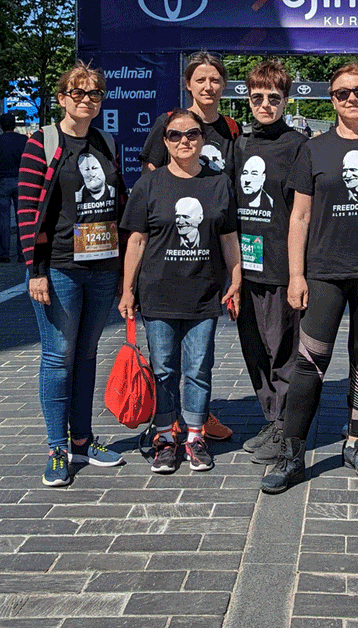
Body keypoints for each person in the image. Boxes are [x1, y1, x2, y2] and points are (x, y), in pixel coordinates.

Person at [260, 64, 358, 494]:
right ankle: (291, 452)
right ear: (331, 99)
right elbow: (300, 216)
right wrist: (296, 274)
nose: (352, 99)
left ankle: (356, 441)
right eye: (342, 93)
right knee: (310, 363)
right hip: (325, 271)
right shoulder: (314, 150)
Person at [18, 62, 126, 487]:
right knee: (57, 357)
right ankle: (56, 448)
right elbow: (27, 213)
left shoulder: (106, 142)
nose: (86, 100)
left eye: (94, 94)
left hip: (102, 266)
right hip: (60, 267)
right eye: (78, 93)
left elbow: (117, 203)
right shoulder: (41, 144)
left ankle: (82, 439)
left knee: (86, 355)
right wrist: (36, 269)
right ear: (62, 98)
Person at [120, 109, 241, 473]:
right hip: (158, 292)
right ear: (165, 141)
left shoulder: (218, 183)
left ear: (203, 140)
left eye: (192, 135)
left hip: (204, 292)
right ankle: (164, 436)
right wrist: (127, 291)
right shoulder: (149, 185)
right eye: (175, 135)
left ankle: (194, 435)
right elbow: (137, 240)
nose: (184, 141)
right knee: (164, 369)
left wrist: (236, 277)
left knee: (199, 368)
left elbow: (228, 236)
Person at [231, 61, 307, 465]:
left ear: (285, 100)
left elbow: (302, 211)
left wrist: (299, 272)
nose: (265, 105)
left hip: (280, 266)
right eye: (257, 97)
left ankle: (286, 428)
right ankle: (271, 419)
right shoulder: (240, 145)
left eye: (273, 98)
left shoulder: (297, 145)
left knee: (283, 351)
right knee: (255, 351)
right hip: (246, 266)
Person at [139, 51, 240, 175]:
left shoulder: (232, 128)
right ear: (188, 84)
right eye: (200, 80)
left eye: (214, 80)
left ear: (223, 84)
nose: (208, 87)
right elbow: (149, 175)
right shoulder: (168, 122)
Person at [0, 114, 27, 263]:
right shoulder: (23, 140)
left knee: (3, 219)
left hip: (2, 180)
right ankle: (22, 253)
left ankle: (4, 253)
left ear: (1, 126)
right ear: (14, 124)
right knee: (21, 219)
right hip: (21, 181)